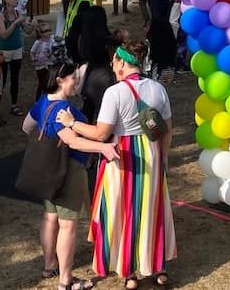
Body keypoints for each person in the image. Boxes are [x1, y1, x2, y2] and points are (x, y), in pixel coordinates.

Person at [56, 41, 176, 289]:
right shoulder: (157, 88)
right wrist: (163, 158)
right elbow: (166, 128)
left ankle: (129, 271)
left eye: (114, 61)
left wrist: (71, 123)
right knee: (151, 210)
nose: (112, 65)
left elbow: (101, 134)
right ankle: (158, 267)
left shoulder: (115, 92)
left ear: (122, 62)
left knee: (122, 212)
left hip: (121, 156)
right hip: (151, 153)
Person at [22, 63, 119, 290]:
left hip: (48, 168)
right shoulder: (62, 111)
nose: (77, 82)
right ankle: (66, 281)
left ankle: (49, 265)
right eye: (73, 78)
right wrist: (102, 148)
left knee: (49, 217)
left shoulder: (43, 102)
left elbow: (26, 126)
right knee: (68, 226)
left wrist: (44, 140)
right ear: (60, 80)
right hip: (68, 170)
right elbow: (72, 140)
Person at [0, 0, 33, 116]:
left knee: (15, 78)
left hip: (17, 49)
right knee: (3, 78)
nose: (17, 0)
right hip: (4, 50)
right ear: (6, 0)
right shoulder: (0, 15)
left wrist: (31, 25)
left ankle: (14, 104)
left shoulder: (18, 13)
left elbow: (27, 31)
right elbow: (4, 35)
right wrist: (16, 22)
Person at [30, 20, 53, 102]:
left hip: (49, 64)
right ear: (40, 33)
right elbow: (32, 52)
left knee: (48, 82)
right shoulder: (37, 43)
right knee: (42, 82)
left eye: (49, 30)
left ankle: (46, 99)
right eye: (46, 31)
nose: (48, 33)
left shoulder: (52, 41)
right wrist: (33, 59)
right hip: (39, 65)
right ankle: (38, 100)